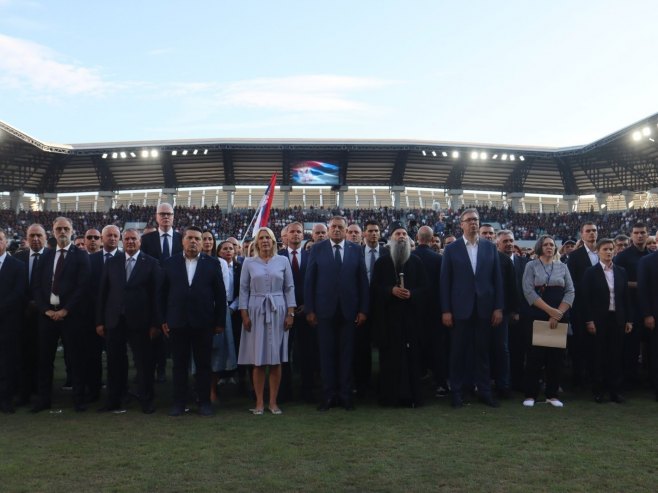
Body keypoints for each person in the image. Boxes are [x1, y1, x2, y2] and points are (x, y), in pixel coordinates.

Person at [440, 208, 503, 408]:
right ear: (462, 224)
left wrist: (498, 307)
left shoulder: (490, 247)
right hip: (460, 310)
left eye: (476, 220)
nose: (473, 223)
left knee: (483, 353)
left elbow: (497, 280)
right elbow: (445, 282)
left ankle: (484, 391)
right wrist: (446, 310)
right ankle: (457, 392)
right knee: (458, 353)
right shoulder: (451, 249)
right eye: (469, 220)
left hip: (485, 309)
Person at [160, 226, 226, 417]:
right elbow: (162, 293)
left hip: (203, 322)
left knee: (203, 365)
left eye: (198, 238)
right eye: (190, 238)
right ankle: (179, 403)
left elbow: (220, 295)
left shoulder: (212, 263)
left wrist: (219, 321)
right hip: (177, 322)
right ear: (182, 241)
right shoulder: (170, 263)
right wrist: (163, 319)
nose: (194, 241)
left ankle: (204, 402)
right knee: (179, 365)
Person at [305, 216, 369, 411]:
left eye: (341, 227)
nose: (337, 230)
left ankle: (345, 396)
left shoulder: (356, 249)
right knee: (326, 355)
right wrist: (310, 310)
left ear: (346, 229)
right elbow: (310, 281)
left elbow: (362, 282)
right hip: (324, 311)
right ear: (328, 229)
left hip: (349, 311)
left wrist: (363, 310)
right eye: (334, 227)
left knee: (346, 355)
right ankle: (328, 396)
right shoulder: (317, 248)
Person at [96, 229, 162, 413]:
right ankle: (114, 400)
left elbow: (156, 297)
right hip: (114, 320)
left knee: (143, 364)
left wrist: (156, 323)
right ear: (121, 242)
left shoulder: (151, 263)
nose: (130, 242)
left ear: (140, 242)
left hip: (141, 322)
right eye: (127, 239)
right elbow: (103, 293)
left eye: (134, 239)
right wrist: (100, 321)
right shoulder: (111, 262)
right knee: (114, 362)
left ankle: (146, 400)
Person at [31, 216, 91, 412]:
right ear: (53, 231)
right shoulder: (46, 255)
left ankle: (79, 399)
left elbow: (83, 287)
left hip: (71, 317)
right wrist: (45, 309)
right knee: (44, 360)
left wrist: (66, 309)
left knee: (76, 359)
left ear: (72, 230)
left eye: (66, 228)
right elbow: (37, 286)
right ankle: (43, 400)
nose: (63, 232)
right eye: (59, 229)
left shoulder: (81, 255)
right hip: (47, 316)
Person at [239, 227, 296, 414]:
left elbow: (289, 288)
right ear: (257, 242)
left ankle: (273, 402)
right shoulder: (248, 262)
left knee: (276, 359)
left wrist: (290, 313)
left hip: (278, 309)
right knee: (258, 360)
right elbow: (243, 290)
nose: (265, 241)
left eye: (268, 238)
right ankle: (259, 403)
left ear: (273, 241)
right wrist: (244, 315)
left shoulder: (283, 261)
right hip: (256, 310)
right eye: (261, 238)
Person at [372, 223, 428, 407]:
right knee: (390, 360)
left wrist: (412, 294)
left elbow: (425, 289)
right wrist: (391, 290)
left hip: (410, 321)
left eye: (404, 234)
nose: (402, 236)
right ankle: (390, 398)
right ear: (391, 239)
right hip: (389, 322)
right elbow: (374, 289)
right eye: (398, 234)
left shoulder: (416, 262)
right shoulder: (382, 262)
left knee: (412, 359)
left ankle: (412, 396)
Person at [522, 235, 574, 408]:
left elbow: (570, 291)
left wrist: (558, 313)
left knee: (555, 358)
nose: (549, 247)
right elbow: (529, 291)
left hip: (558, 317)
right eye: (546, 244)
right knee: (535, 357)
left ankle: (552, 394)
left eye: (552, 244)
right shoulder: (531, 265)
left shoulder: (563, 267)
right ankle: (531, 394)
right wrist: (550, 311)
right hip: (537, 315)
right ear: (539, 247)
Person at [582, 238, 632, 403]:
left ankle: (615, 391)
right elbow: (586, 300)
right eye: (605, 249)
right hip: (599, 320)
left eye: (611, 249)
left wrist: (629, 320)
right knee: (599, 356)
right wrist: (589, 320)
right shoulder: (590, 272)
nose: (609, 252)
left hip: (617, 319)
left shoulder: (621, 271)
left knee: (616, 356)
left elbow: (626, 298)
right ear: (598, 251)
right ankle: (598, 390)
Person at [141, 203, 182, 383]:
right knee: (156, 330)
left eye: (169, 214)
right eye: (162, 214)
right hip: (153, 291)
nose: (166, 217)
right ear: (156, 217)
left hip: (176, 291)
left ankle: (176, 369)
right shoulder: (147, 239)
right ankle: (159, 368)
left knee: (176, 332)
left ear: (174, 217)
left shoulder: (182, 238)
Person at [277, 221, 316, 402]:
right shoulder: (278, 256)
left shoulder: (312, 255)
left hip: (307, 311)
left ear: (303, 235)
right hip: (284, 313)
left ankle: (308, 391)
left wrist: (308, 305)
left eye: (298, 232)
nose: (295, 235)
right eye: (291, 232)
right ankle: (284, 391)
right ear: (285, 236)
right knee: (284, 353)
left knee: (308, 353)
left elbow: (317, 283)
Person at [12, 223, 47, 407]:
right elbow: (15, 286)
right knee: (24, 354)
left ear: (45, 237)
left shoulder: (52, 257)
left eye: (38, 235)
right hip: (23, 315)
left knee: (43, 355)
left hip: (46, 315)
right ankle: (24, 392)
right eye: (32, 235)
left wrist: (39, 304)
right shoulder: (18, 257)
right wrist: (28, 303)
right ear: (26, 237)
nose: (35, 239)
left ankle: (42, 393)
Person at [613, 223, 649, 387]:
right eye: (636, 233)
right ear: (631, 235)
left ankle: (646, 377)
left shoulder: (651, 255)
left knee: (649, 345)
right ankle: (628, 379)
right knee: (631, 345)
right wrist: (639, 285)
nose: (640, 236)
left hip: (648, 307)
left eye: (642, 233)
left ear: (647, 235)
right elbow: (616, 281)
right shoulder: (622, 257)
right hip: (630, 307)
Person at [201, 231, 236, 401]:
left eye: (210, 239)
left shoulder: (220, 262)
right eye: (204, 239)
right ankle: (200, 387)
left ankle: (213, 389)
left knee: (216, 352)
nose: (207, 242)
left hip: (217, 311)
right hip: (198, 312)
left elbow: (224, 291)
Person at [354, 220, 388, 397]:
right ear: (364, 234)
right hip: (362, 305)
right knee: (361, 346)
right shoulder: (356, 253)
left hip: (382, 306)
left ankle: (383, 382)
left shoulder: (387, 252)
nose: (374, 233)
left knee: (383, 345)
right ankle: (363, 383)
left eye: (376, 231)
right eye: (370, 231)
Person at [412, 225, 446, 397]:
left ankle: (416, 379)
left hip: (414, 310)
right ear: (432, 240)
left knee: (415, 346)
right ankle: (440, 383)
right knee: (437, 348)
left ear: (417, 238)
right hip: (435, 310)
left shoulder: (409, 257)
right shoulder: (439, 259)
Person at [567, 221, 599, 388]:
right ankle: (579, 380)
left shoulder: (604, 253)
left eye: (594, 230)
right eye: (588, 231)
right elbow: (572, 284)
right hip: (581, 307)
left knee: (599, 346)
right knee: (581, 345)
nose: (592, 234)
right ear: (582, 234)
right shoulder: (575, 256)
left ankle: (597, 379)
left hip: (602, 308)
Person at [0, 228, 27, 413]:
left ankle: (5, 399)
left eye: (0, 239)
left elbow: (19, 294)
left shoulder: (17, 265)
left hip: (8, 322)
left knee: (7, 362)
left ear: (6, 242)